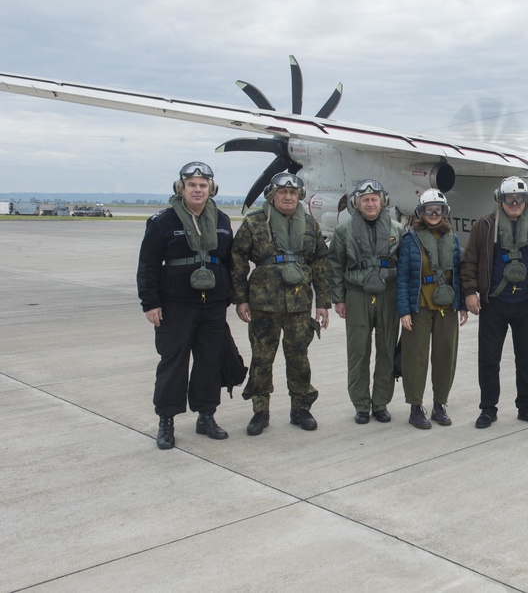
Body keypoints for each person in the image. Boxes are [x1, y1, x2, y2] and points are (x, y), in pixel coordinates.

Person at [137, 162, 233, 450]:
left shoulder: (222, 220)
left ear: (211, 189)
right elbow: (148, 265)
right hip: (176, 304)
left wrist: (232, 297)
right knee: (173, 363)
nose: (198, 189)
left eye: (203, 185)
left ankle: (206, 416)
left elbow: (231, 262)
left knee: (209, 362)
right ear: (181, 187)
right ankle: (166, 421)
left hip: (213, 305)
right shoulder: (162, 222)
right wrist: (150, 303)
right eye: (192, 184)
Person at [231, 172, 332, 436]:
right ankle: (260, 411)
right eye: (282, 193)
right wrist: (241, 298)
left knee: (299, 359)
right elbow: (238, 259)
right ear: (272, 195)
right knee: (262, 359)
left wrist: (323, 303)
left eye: (293, 193)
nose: (288, 197)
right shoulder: (255, 223)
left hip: (299, 305)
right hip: (263, 304)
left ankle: (301, 408)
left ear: (299, 196)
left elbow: (321, 264)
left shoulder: (311, 225)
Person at [460, 176, 528, 429]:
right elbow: (469, 260)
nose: (515, 202)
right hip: (493, 304)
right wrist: (470, 291)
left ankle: (527, 407)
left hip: (526, 304)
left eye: (520, 198)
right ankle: (488, 409)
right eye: (509, 198)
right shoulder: (485, 226)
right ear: (500, 199)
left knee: (527, 358)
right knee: (489, 358)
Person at [329, 178, 404, 425]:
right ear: (356, 203)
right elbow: (336, 265)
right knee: (358, 352)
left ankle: (380, 403)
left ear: (383, 202)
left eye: (374, 199)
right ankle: (361, 405)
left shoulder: (397, 230)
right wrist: (338, 299)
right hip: (357, 295)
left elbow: (404, 267)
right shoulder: (343, 231)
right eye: (365, 200)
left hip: (388, 295)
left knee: (386, 349)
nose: (370, 203)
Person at [396, 189, 468, 429]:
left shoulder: (453, 239)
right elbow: (403, 277)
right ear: (421, 212)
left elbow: (458, 273)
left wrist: (462, 304)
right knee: (415, 357)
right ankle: (416, 407)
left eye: (438, 209)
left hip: (447, 304)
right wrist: (404, 310)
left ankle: (440, 405)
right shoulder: (411, 239)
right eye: (429, 209)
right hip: (420, 306)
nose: (434, 213)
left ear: (445, 212)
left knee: (445, 356)